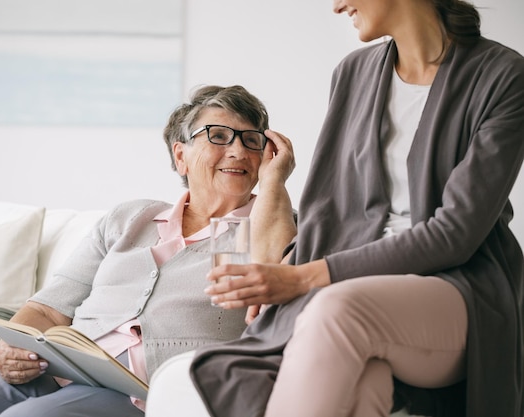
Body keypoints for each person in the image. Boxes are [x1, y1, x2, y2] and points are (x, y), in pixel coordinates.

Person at [182, 1, 524, 417]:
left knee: (336, 310)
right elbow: (328, 207)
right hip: (355, 284)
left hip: (459, 289)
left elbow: (455, 235)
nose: (337, 4)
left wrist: (300, 279)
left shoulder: (504, 75)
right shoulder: (354, 72)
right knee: (363, 386)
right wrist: (284, 271)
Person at [0, 84, 297, 417]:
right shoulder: (130, 218)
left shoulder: (268, 227)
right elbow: (45, 310)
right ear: (181, 156)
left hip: (141, 392)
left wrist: (275, 181)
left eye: (252, 140)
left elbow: (271, 273)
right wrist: (13, 348)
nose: (239, 151)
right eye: (219, 136)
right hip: (57, 369)